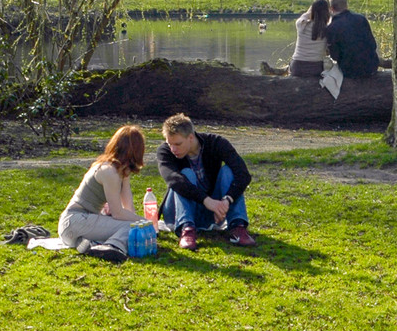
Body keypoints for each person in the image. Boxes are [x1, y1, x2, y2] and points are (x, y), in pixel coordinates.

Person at [156, 113, 255, 250]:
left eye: (178, 144)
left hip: (214, 212)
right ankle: (187, 229)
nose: (173, 149)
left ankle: (237, 226)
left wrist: (226, 200)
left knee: (228, 171)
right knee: (185, 174)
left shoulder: (216, 143)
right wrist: (206, 200)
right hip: (178, 211)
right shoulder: (165, 151)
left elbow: (243, 174)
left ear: (191, 137)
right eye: (170, 143)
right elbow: (173, 180)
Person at [58, 125, 149, 264]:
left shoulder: (121, 170)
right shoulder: (109, 171)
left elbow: (128, 205)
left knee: (134, 226)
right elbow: (118, 213)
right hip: (75, 220)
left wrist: (141, 230)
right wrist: (144, 222)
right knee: (130, 227)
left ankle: (90, 244)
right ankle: (112, 246)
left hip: (79, 224)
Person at [325, 0, 380, 80]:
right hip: (371, 66)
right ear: (347, 5)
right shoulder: (361, 19)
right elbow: (373, 44)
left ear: (331, 9)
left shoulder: (331, 28)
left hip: (350, 71)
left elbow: (335, 55)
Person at [289, 0, 331, 78]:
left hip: (297, 66)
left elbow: (305, 15)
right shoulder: (328, 30)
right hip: (315, 67)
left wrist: (312, 9)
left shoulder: (301, 24)